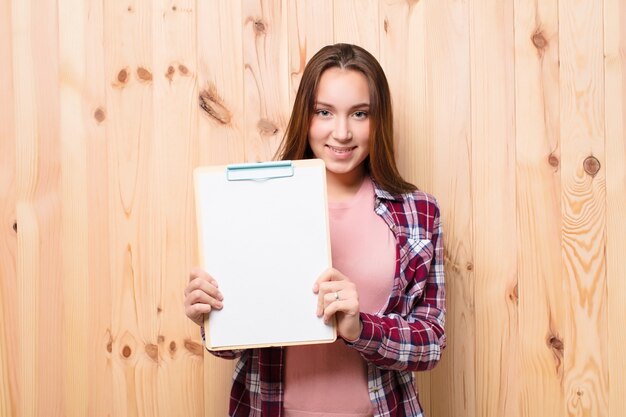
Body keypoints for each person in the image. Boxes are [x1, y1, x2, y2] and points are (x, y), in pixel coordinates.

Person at [184, 43, 445, 417]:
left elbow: (431, 343)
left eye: (359, 113)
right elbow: (229, 347)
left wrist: (360, 329)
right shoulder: (253, 201)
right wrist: (210, 316)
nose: (341, 132)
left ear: (379, 120)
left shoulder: (418, 212)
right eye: (324, 112)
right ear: (305, 117)